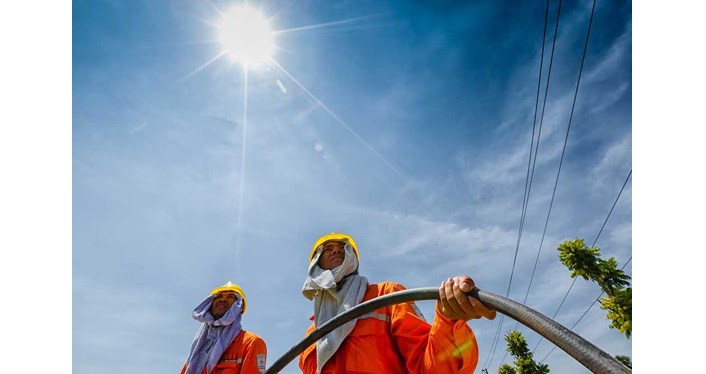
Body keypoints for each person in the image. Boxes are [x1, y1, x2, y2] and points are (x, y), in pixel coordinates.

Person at [299, 232, 496, 374]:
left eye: (343, 248)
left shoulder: (385, 295)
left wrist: (449, 321)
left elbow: (428, 368)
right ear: (316, 263)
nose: (337, 252)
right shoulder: (311, 336)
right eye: (328, 249)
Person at [181, 281, 267, 374]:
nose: (223, 299)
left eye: (230, 297)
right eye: (219, 296)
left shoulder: (251, 343)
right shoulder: (195, 355)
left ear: (238, 307)